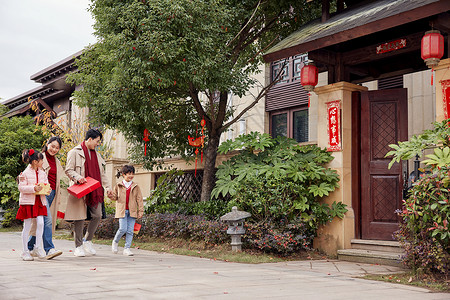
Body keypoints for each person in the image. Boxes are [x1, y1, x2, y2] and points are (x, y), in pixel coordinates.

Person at [65, 129, 110, 257]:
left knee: (97, 215)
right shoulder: (74, 152)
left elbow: (102, 175)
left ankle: (88, 240)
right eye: (97, 141)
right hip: (80, 189)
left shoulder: (98, 156)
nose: (98, 144)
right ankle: (78, 246)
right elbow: (68, 170)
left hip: (95, 190)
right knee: (79, 218)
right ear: (89, 139)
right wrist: (78, 177)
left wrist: (108, 188)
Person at [27, 137, 64, 259]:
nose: (54, 149)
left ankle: (29, 247)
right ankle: (49, 249)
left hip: (52, 193)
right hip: (41, 194)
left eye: (57, 148)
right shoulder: (39, 157)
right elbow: (30, 172)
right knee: (47, 220)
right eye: (52, 146)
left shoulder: (57, 161)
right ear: (47, 144)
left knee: (40, 222)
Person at [16, 149, 48, 261]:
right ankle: (25, 251)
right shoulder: (24, 173)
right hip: (28, 202)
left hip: (39, 201)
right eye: (41, 160)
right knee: (27, 226)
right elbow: (21, 188)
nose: (43, 162)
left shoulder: (43, 173)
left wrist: (47, 189)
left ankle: (37, 247)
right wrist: (34, 188)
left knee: (40, 223)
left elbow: (46, 184)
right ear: (35, 161)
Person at [108, 165, 144, 256]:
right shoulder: (118, 185)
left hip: (132, 212)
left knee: (130, 231)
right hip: (122, 211)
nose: (131, 176)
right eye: (129, 174)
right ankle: (115, 242)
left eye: (132, 174)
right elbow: (115, 197)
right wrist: (111, 196)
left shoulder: (136, 186)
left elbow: (139, 199)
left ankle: (127, 248)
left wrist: (140, 211)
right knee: (122, 229)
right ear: (123, 174)